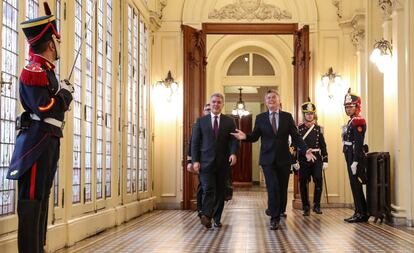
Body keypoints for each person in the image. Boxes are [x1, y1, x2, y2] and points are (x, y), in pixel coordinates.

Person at [7, 3, 73, 253]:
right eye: (57, 40)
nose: (59, 46)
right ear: (50, 43)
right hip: (36, 142)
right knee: (32, 200)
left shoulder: (47, 71)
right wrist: (65, 95)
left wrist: (62, 92)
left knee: (43, 197)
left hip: (49, 139)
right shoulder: (34, 70)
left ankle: (38, 247)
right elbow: (44, 107)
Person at [231, 89, 316, 230]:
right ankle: (274, 217)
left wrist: (306, 149)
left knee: (282, 188)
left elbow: (296, 137)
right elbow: (255, 136)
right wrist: (245, 137)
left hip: (284, 159)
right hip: (267, 159)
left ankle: (279, 209)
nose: (271, 100)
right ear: (266, 102)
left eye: (274, 97)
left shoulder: (287, 117)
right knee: (273, 186)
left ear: (279, 101)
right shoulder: (261, 118)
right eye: (268, 98)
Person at [191, 93, 239, 228]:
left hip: (223, 163)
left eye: (218, 102)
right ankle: (206, 215)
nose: (216, 104)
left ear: (222, 105)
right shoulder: (201, 121)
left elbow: (234, 140)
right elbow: (195, 142)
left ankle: (217, 218)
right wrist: (195, 161)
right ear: (210, 104)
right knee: (208, 188)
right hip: (205, 163)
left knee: (220, 191)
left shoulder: (229, 121)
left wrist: (233, 153)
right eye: (213, 102)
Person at [293, 101, 328, 216]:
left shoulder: (319, 129)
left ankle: (317, 205)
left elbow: (323, 145)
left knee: (318, 179)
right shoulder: (298, 129)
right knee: (303, 182)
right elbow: (293, 146)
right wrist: (294, 161)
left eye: (311, 113)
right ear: (304, 115)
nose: (309, 116)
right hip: (303, 158)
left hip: (317, 158)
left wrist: (326, 160)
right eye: (307, 114)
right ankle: (305, 207)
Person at [342, 89, 369, 223]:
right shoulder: (351, 121)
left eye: (350, 106)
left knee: (356, 185)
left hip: (354, 156)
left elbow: (358, 143)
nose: (348, 109)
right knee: (353, 185)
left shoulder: (358, 121)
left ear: (357, 107)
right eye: (346, 107)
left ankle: (361, 213)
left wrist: (356, 161)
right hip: (349, 155)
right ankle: (359, 211)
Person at [187, 103, 211, 217]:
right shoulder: (198, 124)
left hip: (214, 161)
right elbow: (192, 143)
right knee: (203, 186)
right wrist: (189, 161)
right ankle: (201, 209)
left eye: (210, 109)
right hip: (200, 161)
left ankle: (209, 211)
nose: (208, 111)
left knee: (209, 187)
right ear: (203, 111)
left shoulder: (218, 124)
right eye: (206, 109)